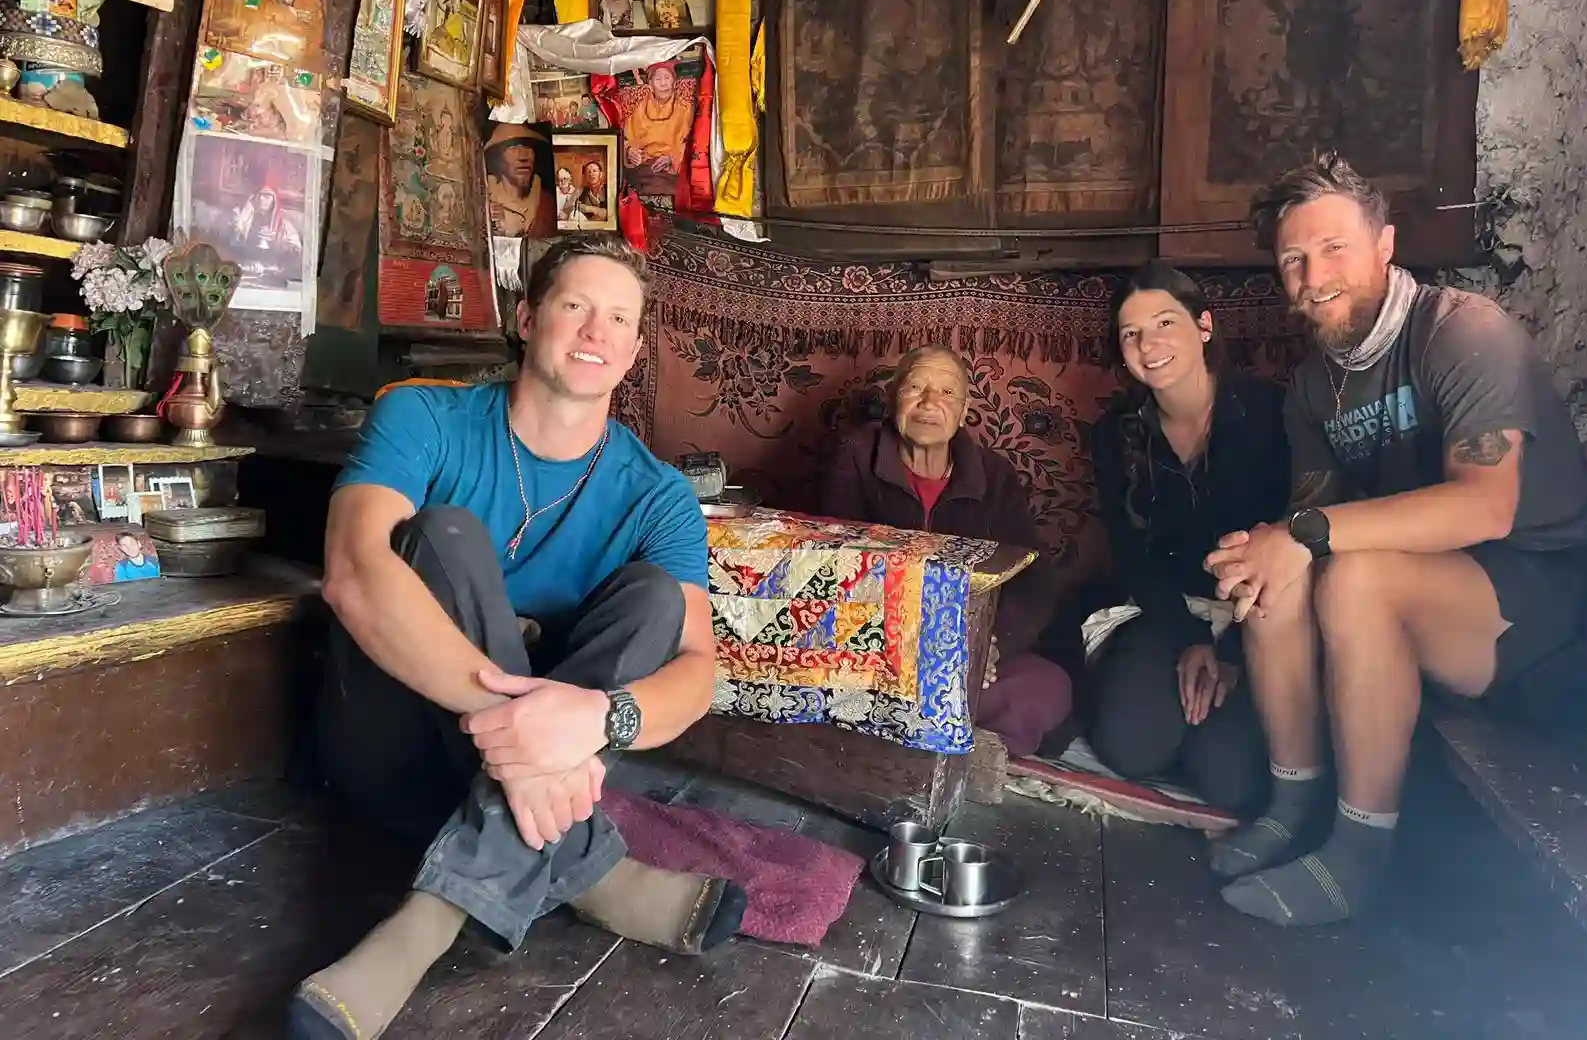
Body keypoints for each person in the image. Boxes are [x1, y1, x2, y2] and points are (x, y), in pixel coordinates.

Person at [289, 236, 745, 1040]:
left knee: (653, 600)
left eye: (618, 319)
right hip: (386, 746)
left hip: (521, 769)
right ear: (529, 318)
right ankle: (592, 869)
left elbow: (697, 669)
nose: (595, 331)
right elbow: (353, 572)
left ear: (635, 353)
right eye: (575, 306)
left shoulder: (659, 496)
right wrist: (522, 741)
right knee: (446, 536)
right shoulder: (422, 414)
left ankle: (427, 918)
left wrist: (597, 722)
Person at [1202, 152, 1587, 927]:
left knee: (1351, 576)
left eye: (1335, 249)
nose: (1313, 276)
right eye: (1293, 259)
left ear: (1385, 245)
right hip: (1426, 588)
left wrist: (1306, 534)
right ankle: (1293, 807)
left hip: (1539, 598)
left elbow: (1484, 508)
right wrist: (1269, 546)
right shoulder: (1315, 387)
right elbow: (1304, 522)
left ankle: (1358, 855)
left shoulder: (1460, 331)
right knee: (1271, 572)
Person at [1085, 261, 1285, 814]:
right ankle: (1171, 715)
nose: (1149, 345)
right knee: (1132, 747)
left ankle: (1206, 734)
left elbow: (1289, 544)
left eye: (1165, 323)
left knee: (1233, 781)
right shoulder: (1116, 435)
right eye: (1132, 334)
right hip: (1165, 609)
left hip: (1259, 616)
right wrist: (1189, 641)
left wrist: (1231, 651)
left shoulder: (1269, 413)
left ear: (1204, 326)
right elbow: (1131, 555)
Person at [822, 345, 1072, 757]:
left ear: (965, 409)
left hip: (972, 654)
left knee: (1047, 687)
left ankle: (925, 737)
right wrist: (920, 646)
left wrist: (990, 643)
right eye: (915, 387)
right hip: (883, 651)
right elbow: (839, 563)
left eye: (946, 392)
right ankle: (938, 739)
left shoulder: (994, 476)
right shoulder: (857, 457)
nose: (928, 403)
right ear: (893, 399)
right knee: (840, 679)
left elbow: (1031, 575)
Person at [622, 63, 692, 196]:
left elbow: (695, 141)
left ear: (674, 82)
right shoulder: (637, 106)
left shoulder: (686, 108)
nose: (663, 83)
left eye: (667, 78)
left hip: (674, 169)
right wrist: (629, 152)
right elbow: (622, 138)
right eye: (658, 79)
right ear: (650, 84)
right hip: (644, 167)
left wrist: (673, 159)